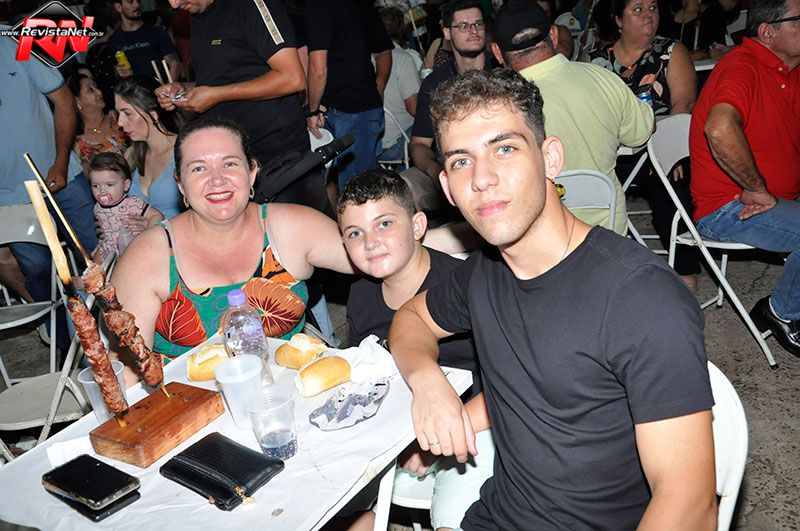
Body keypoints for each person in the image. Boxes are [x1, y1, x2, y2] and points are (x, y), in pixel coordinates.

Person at [388, 68, 718, 528]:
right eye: (462, 161)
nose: (482, 178)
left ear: (550, 158)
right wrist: (430, 386)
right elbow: (411, 318)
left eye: (504, 148)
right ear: (447, 188)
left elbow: (690, 504)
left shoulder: (640, 297)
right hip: (498, 515)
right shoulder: (486, 270)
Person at [110, 116, 355, 383]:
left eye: (229, 163)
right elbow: (126, 378)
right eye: (199, 168)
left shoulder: (291, 226)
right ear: (180, 184)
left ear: (251, 172)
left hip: (288, 393)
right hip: (186, 402)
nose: (217, 180)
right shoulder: (147, 256)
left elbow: (377, 257)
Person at [338, 169, 492, 531]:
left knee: (458, 519)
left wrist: (432, 440)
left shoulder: (460, 286)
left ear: (418, 225)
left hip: (475, 426)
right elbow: (363, 374)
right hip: (396, 431)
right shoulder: (360, 295)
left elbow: (508, 384)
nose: (370, 242)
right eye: (355, 233)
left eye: (384, 224)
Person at [689, 0, 800, 357]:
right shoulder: (743, 65)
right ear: (768, 32)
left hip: (782, 198)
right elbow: (719, 128)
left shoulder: (790, 70)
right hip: (728, 207)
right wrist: (756, 188)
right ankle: (782, 311)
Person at [492, 0, 653, 234]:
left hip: (536, 236)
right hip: (608, 231)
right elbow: (641, 133)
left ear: (497, 52)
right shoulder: (602, 78)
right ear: (554, 35)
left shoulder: (496, 105)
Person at [158, 0, 328, 214]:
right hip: (236, 160)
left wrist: (217, 94)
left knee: (304, 230)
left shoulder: (249, 5)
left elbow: (293, 78)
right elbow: (219, 82)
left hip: (279, 158)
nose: (174, 4)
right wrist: (182, 89)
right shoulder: (199, 18)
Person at [586, 0, 700, 289]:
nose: (649, 15)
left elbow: (684, 103)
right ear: (619, 20)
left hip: (659, 145)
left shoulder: (670, 51)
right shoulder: (596, 61)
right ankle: (593, 271)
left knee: (671, 178)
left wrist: (667, 148)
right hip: (612, 151)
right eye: (638, 9)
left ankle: (685, 273)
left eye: (653, 8)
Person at [0, 32, 98, 347]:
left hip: (61, 176)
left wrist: (60, 161)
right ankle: (64, 342)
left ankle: (121, 321)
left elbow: (63, 100)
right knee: (38, 271)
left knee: (97, 252)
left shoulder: (13, 44)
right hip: (10, 198)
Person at [408, 0, 493, 212]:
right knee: (405, 186)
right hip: (451, 165)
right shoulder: (435, 83)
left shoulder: (501, 70)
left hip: (496, 159)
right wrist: (436, 170)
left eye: (478, 24)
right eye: (463, 26)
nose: (473, 31)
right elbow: (419, 144)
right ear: (447, 32)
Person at [305, 0, 393, 190]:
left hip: (352, 111)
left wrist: (312, 110)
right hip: (357, 107)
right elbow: (384, 51)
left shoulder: (316, 5)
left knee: (356, 190)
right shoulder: (362, 5)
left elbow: (318, 70)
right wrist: (377, 89)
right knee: (360, 184)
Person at [115, 75, 183, 220]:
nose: (120, 122)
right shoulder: (132, 155)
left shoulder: (184, 150)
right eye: (118, 113)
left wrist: (154, 225)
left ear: (153, 115)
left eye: (127, 113)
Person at [88, 152, 163, 261]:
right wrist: (99, 246)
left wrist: (147, 234)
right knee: (94, 264)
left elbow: (157, 215)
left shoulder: (131, 203)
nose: (102, 191)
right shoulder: (97, 208)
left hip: (132, 251)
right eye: (95, 185)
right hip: (108, 253)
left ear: (126, 185)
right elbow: (105, 233)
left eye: (109, 184)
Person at [379, 7, 423, 171]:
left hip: (373, 141)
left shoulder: (366, 56)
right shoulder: (403, 59)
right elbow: (414, 108)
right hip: (397, 143)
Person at [67, 73, 129, 174]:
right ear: (77, 101)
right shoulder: (76, 143)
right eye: (90, 90)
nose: (99, 92)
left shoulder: (118, 119)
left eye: (96, 87)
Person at [108, 0, 181, 81]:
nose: (137, 5)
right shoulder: (114, 40)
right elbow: (116, 72)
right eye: (131, 2)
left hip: (160, 85)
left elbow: (174, 63)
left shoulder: (156, 32)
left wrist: (169, 86)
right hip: (134, 88)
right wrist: (121, 73)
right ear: (118, 7)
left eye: (138, 1)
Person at [664, 0, 738, 59]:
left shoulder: (713, 14)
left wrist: (701, 54)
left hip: (705, 68)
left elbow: (715, 51)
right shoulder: (667, 16)